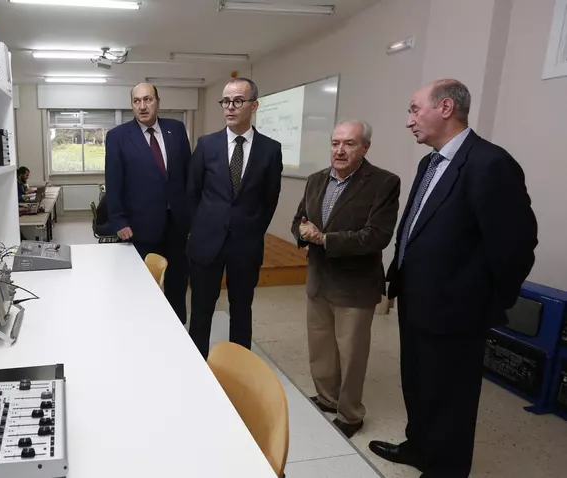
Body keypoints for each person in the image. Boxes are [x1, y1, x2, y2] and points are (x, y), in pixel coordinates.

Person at [369, 79, 537, 477]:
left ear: (445, 108)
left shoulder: (490, 163)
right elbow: (418, 226)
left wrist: (486, 303)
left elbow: (516, 245)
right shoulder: (430, 163)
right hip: (416, 300)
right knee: (418, 384)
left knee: (451, 398)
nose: (409, 120)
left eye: (415, 110)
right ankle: (419, 448)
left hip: (458, 312)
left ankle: (445, 469)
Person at [291, 120, 400, 438]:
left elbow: (376, 236)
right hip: (318, 279)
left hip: (355, 285)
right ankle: (327, 398)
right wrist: (301, 230)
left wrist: (324, 239)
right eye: (335, 143)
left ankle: (351, 414)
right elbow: (300, 219)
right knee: (321, 347)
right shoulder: (315, 179)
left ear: (365, 147)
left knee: (351, 354)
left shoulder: (383, 183)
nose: (340, 150)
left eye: (349, 144)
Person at [187, 77, 282, 357]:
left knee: (241, 309)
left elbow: (270, 199)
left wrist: (252, 229)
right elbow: (192, 192)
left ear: (254, 105)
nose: (230, 107)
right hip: (206, 242)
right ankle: (197, 364)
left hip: (246, 244)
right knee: (201, 308)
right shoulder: (207, 145)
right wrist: (199, 228)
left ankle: (240, 368)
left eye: (238, 101)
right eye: (226, 101)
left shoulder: (270, 149)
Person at [105, 83, 193, 322]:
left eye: (148, 99)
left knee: (177, 283)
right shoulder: (118, 136)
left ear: (157, 102)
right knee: (142, 286)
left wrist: (192, 216)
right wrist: (119, 220)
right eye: (137, 101)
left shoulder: (176, 129)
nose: (142, 106)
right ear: (132, 105)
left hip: (177, 225)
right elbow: (114, 182)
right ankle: (143, 328)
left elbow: (188, 175)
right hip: (140, 227)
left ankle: (176, 328)